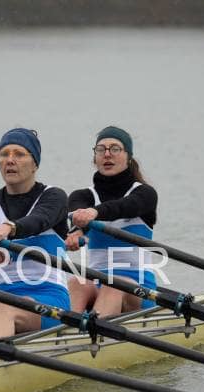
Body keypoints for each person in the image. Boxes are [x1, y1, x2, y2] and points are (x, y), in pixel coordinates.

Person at [0, 127, 70, 339]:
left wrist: (7, 228)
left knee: (3, 309)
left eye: (19, 154)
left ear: (35, 164)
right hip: (1, 295)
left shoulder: (54, 197)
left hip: (48, 298)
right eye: (4, 154)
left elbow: (38, 220)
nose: (10, 160)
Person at [67, 125, 158, 316]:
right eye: (101, 149)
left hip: (139, 288)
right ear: (95, 158)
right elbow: (76, 213)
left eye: (115, 149)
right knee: (76, 282)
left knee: (114, 285)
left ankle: (94, 331)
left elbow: (123, 207)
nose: (107, 154)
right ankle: (67, 329)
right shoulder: (82, 196)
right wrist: (76, 231)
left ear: (128, 157)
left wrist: (94, 212)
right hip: (97, 281)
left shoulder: (144, 194)